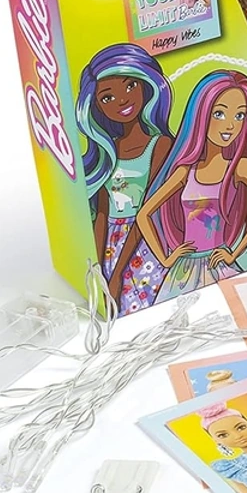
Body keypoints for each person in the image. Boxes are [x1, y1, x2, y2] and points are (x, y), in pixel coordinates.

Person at [137, 70, 247, 300]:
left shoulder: (240, 167)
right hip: (184, 270)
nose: (230, 126)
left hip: (219, 265)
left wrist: (234, 252)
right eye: (219, 114)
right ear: (201, 115)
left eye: (240, 116)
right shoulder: (185, 171)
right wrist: (165, 259)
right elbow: (143, 214)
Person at [75, 43, 175, 311]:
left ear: (146, 85)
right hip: (111, 245)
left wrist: (118, 274)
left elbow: (149, 210)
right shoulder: (107, 154)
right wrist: (98, 270)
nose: (122, 100)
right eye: (107, 98)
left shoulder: (160, 145)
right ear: (96, 106)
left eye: (130, 85)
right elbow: (102, 216)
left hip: (147, 240)